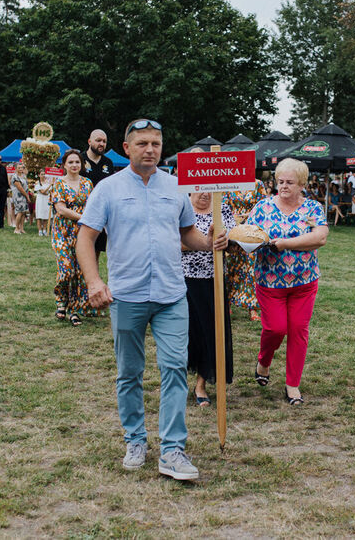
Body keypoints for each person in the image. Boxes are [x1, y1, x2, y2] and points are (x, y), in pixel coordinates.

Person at [76, 118, 227, 481]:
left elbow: (188, 232)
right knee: (129, 373)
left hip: (172, 295)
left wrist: (210, 242)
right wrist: (94, 281)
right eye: (142, 143)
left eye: (156, 144)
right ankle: (135, 439)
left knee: (175, 368)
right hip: (126, 296)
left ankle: (173, 450)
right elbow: (85, 238)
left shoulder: (176, 187)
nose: (150, 149)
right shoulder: (108, 189)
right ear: (127, 148)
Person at [247, 159, 328, 405]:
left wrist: (285, 243)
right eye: (280, 181)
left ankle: (292, 385)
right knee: (275, 329)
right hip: (269, 282)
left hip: (304, 282)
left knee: (298, 332)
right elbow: (248, 233)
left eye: (289, 182)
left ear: (302, 184)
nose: (283, 186)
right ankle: (264, 361)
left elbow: (320, 237)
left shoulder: (312, 209)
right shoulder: (262, 207)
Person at [182, 191, 235, 407]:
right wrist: (204, 242)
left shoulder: (222, 208)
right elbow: (168, 241)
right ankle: (178, 380)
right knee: (186, 333)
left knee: (210, 333)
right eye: (199, 188)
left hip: (214, 280)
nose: (205, 193)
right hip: (182, 280)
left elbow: (232, 242)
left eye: (209, 189)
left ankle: (201, 384)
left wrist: (228, 242)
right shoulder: (183, 207)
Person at [51, 149, 94, 325]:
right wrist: (83, 217)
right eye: (71, 162)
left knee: (79, 271)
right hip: (62, 232)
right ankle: (61, 300)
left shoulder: (88, 183)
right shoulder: (59, 184)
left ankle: (74, 310)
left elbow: (93, 206)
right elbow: (60, 209)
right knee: (66, 269)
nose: (75, 165)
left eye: (77, 162)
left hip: (82, 233)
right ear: (64, 165)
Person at [226, 179, 269, 322]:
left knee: (250, 269)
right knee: (230, 266)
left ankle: (252, 308)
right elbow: (223, 206)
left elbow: (264, 206)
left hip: (251, 230)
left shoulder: (258, 184)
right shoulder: (228, 182)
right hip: (233, 228)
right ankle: (227, 303)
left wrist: (249, 215)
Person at [81, 129, 116, 255]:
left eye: (104, 141)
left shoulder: (108, 163)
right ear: (90, 141)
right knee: (82, 248)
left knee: (96, 250)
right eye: (98, 140)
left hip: (101, 212)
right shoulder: (80, 160)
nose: (102, 144)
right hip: (82, 211)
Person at [11, 161, 31, 235]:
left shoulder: (23, 176)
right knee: (19, 212)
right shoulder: (15, 177)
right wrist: (27, 196)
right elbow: (20, 188)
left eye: (21, 167)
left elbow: (26, 171)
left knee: (23, 212)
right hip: (19, 197)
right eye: (18, 168)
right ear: (15, 168)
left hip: (24, 196)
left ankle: (22, 228)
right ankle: (16, 228)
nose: (20, 169)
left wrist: (24, 165)